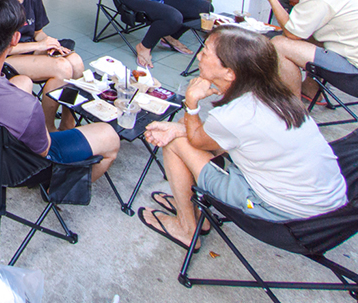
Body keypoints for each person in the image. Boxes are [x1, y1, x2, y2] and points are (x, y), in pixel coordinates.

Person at [139, 27, 347, 252]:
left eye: (205, 52)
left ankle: (187, 228)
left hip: (286, 214)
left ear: (229, 72)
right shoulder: (278, 93)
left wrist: (191, 103)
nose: (198, 56)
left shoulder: (236, 114)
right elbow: (211, 135)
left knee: (175, 142)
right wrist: (179, 127)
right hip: (327, 205)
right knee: (183, 128)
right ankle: (191, 207)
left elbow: (198, 140)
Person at [0, 0, 119, 182]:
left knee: (23, 81)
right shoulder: (26, 107)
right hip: (17, 170)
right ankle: (57, 188)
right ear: (15, 39)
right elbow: (44, 151)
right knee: (109, 135)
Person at [0, 0, 86, 130]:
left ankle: (67, 119)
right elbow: (1, 48)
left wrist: (51, 43)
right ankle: (47, 126)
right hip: (7, 58)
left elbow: (38, 31)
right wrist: (39, 45)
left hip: (32, 51)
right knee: (62, 68)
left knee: (76, 63)